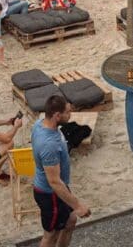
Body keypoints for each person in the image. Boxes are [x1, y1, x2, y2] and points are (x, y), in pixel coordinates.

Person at [32, 94, 90, 246]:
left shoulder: (39, 124)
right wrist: (78, 205)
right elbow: (54, 182)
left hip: (56, 190)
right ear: (57, 115)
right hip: (50, 194)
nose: (70, 115)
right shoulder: (49, 145)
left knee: (70, 220)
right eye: (67, 112)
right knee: (51, 235)